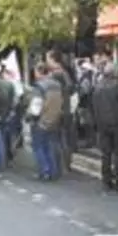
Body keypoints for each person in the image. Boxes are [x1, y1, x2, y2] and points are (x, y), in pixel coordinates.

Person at [91, 61, 118, 191]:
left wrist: (97, 122)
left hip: (103, 124)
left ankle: (106, 180)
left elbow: (94, 107)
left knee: (106, 153)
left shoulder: (98, 87)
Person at [26, 63, 62, 181]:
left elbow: (36, 106)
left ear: (39, 72)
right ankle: (53, 170)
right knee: (50, 145)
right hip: (55, 119)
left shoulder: (40, 87)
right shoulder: (57, 85)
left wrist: (30, 116)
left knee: (39, 146)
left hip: (41, 120)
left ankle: (45, 170)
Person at [46, 49, 75, 177]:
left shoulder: (55, 75)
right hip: (67, 109)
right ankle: (67, 164)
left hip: (57, 109)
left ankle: (59, 165)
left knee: (56, 138)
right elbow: (70, 88)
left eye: (48, 58)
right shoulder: (65, 72)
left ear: (53, 59)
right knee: (65, 138)